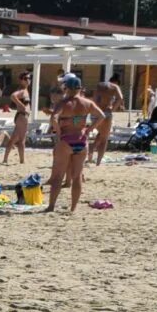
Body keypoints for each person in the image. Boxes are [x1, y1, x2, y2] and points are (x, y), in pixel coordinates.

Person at [46, 74, 102, 213]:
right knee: (77, 176)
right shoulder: (87, 103)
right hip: (81, 140)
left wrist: (58, 132)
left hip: (66, 139)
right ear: (79, 88)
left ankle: (51, 206)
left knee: (58, 176)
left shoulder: (64, 103)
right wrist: (89, 130)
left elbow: (54, 118)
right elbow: (102, 115)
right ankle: (73, 208)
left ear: (67, 88)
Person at [90, 72, 123, 168]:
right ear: (116, 82)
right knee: (104, 138)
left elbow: (94, 98)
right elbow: (120, 98)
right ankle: (98, 162)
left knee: (100, 134)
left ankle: (90, 154)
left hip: (95, 112)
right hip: (106, 112)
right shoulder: (115, 87)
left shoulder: (100, 85)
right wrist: (113, 109)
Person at [1, 79, 31, 166]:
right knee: (18, 139)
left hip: (23, 116)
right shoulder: (21, 90)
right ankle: (14, 160)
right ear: (21, 80)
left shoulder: (25, 90)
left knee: (18, 139)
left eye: (29, 78)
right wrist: (21, 105)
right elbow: (13, 96)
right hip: (21, 116)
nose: (28, 80)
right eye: (26, 78)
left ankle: (14, 159)